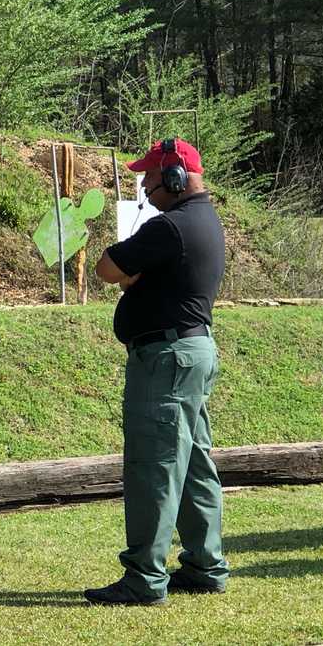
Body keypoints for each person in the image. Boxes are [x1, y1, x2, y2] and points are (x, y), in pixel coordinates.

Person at [87, 138, 229, 606]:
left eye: (151, 176)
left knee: (156, 466)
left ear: (175, 177)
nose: (145, 186)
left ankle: (145, 578)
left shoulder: (170, 227)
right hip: (190, 352)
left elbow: (107, 267)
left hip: (166, 358)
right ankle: (204, 565)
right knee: (192, 464)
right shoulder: (203, 220)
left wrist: (130, 276)